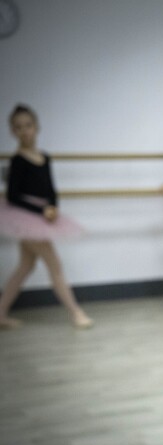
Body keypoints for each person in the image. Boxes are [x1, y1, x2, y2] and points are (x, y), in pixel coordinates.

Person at [0, 105, 93, 329]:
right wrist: (41, 211)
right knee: (55, 265)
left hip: (44, 215)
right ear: (13, 131)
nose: (25, 131)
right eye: (19, 127)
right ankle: (76, 312)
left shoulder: (45, 157)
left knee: (25, 266)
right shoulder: (18, 160)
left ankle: (0, 314)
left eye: (28, 126)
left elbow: (51, 189)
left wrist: (53, 207)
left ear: (37, 127)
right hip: (26, 217)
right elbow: (13, 196)